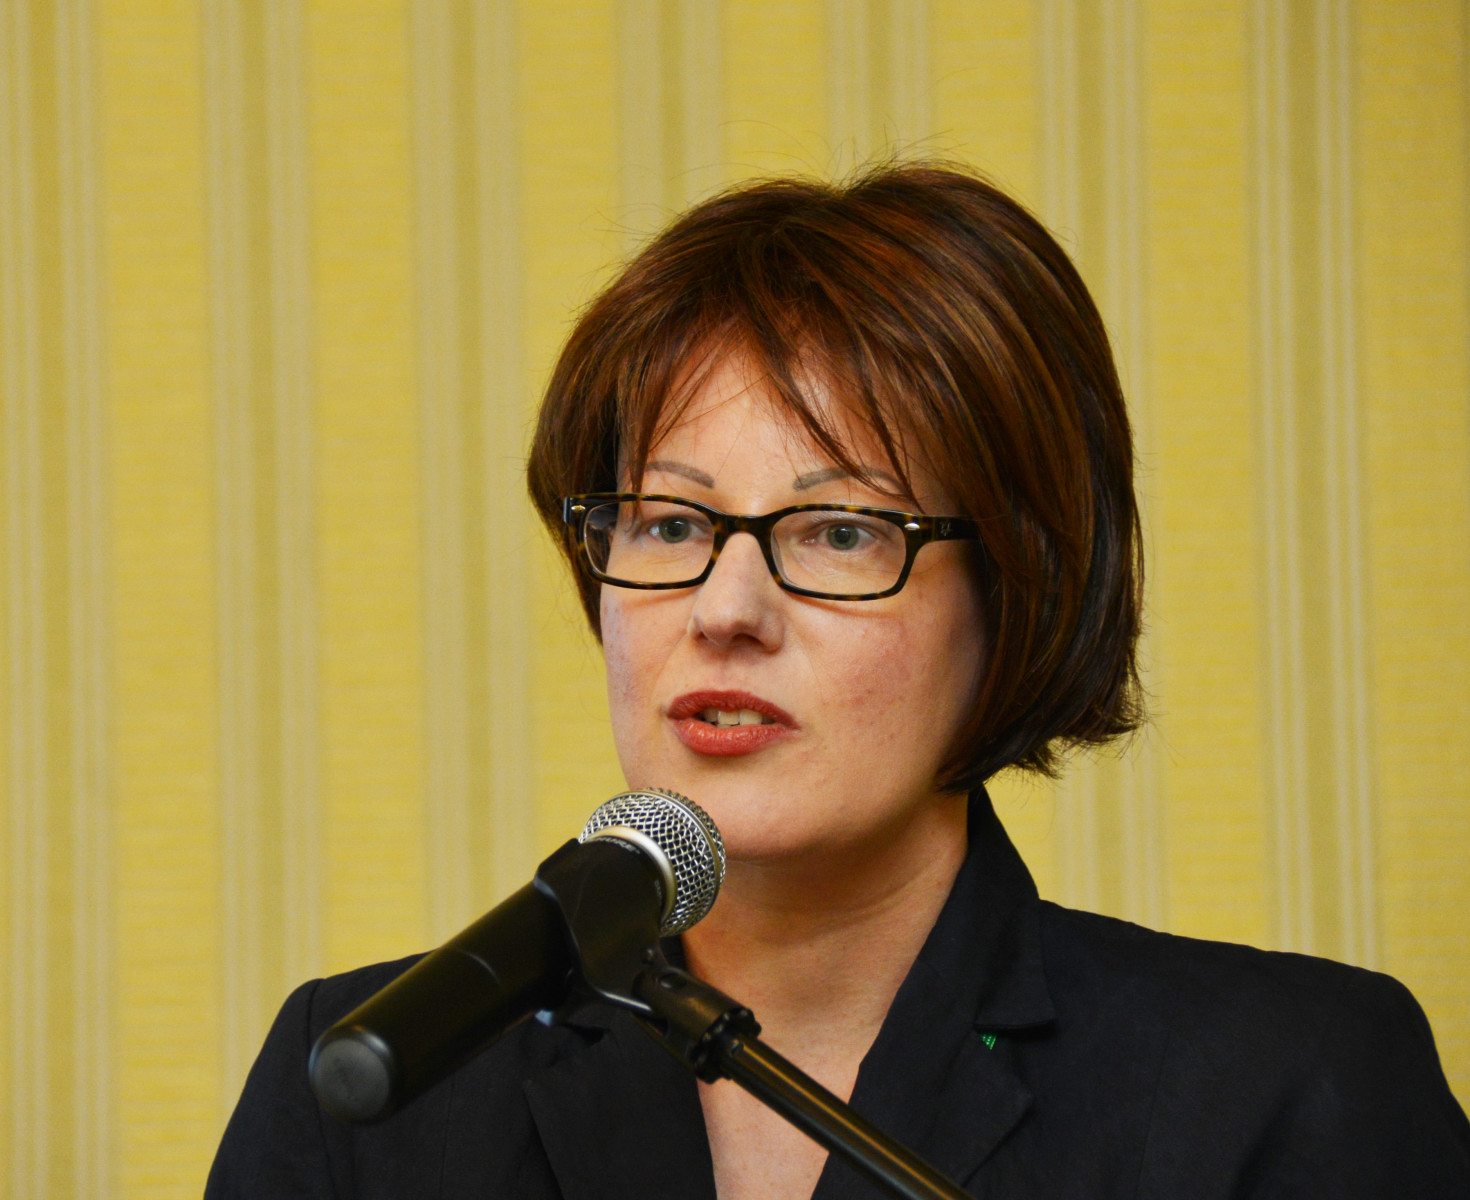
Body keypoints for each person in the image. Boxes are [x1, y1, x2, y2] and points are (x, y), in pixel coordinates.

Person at [207, 163, 1470, 1198]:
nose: (724, 610)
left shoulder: (1288, 1089)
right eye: (668, 524)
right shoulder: (372, 1092)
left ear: (1017, 590)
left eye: (840, 532)